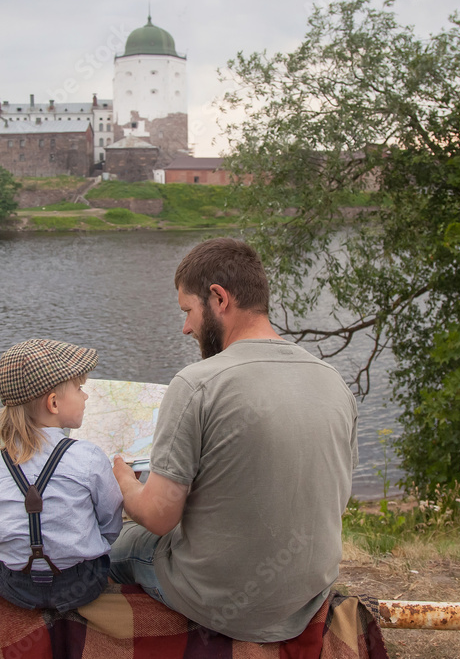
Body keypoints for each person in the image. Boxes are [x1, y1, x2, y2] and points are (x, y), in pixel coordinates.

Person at [109, 238, 359, 642]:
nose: (186, 327)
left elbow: (159, 517)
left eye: (188, 311)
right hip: (306, 599)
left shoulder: (197, 383)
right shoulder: (333, 382)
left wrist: (122, 478)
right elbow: (337, 497)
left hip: (223, 603)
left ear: (219, 298)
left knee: (114, 545)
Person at [0, 338, 124, 612]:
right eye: (79, 388)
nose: (85, 396)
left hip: (14, 588)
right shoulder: (88, 456)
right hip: (82, 584)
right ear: (53, 403)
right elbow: (110, 527)